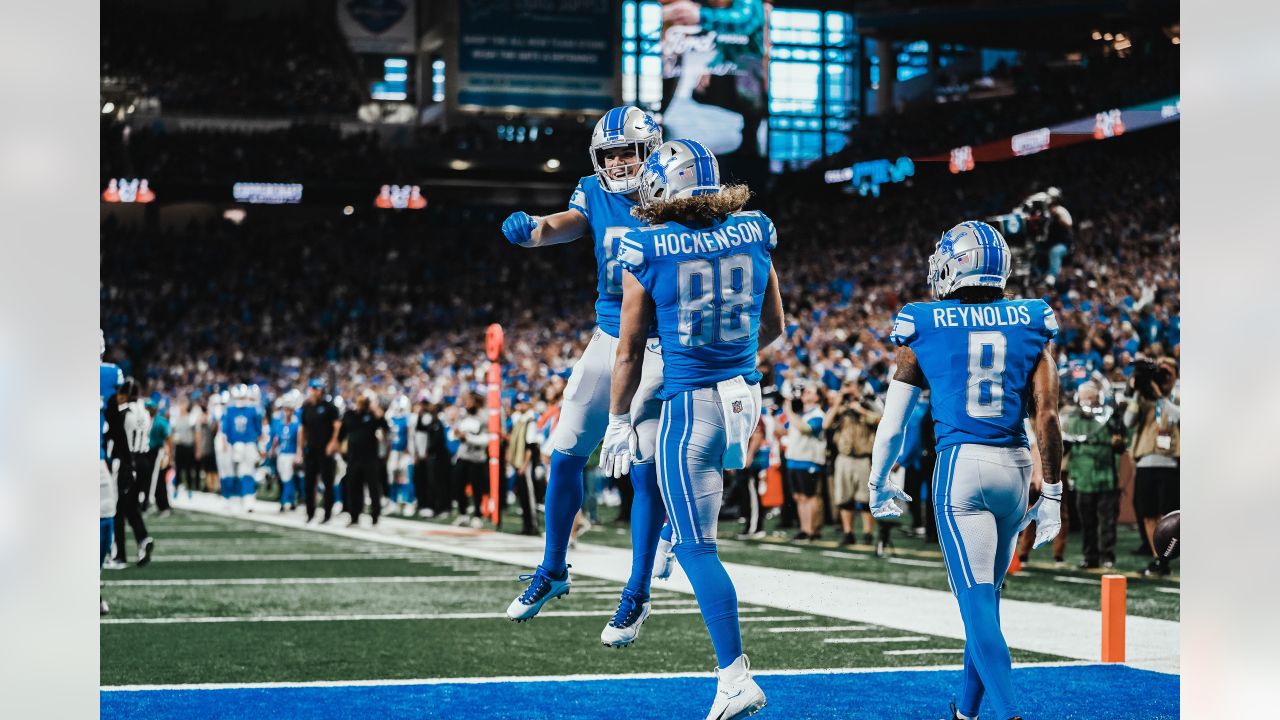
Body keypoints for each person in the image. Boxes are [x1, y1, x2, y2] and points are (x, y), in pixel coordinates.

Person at [602, 138, 783, 719]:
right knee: (690, 524)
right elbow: (774, 324)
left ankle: (734, 677)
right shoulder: (755, 229)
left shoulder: (646, 244)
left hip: (693, 405)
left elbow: (628, 351)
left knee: (697, 547)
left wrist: (616, 420)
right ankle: (655, 552)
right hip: (745, 396)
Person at [868, 220, 1062, 720]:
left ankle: (1011, 713)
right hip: (1016, 466)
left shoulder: (923, 321)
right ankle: (967, 713)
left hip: (963, 469)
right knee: (988, 604)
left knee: (976, 606)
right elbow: (1048, 414)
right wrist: (1056, 493)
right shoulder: (1032, 319)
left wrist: (879, 480)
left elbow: (893, 424)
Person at [501, 106, 671, 643]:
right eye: (610, 153)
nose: (619, 163)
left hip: (665, 346)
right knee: (566, 449)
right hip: (609, 336)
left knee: (644, 467)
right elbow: (566, 224)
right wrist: (533, 230)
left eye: (627, 151)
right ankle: (552, 569)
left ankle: (636, 594)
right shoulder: (592, 191)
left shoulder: (677, 189)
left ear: (652, 149)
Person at [1125, 357, 1179, 577]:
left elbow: (1179, 417)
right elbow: (1128, 421)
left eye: (1167, 370)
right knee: (1148, 514)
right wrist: (1139, 391)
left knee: (1170, 515)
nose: (1163, 375)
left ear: (1175, 374)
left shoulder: (1180, 395)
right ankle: (1160, 559)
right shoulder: (1144, 398)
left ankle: (1169, 555)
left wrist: (1160, 398)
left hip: (1171, 462)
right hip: (1146, 461)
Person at [1062, 382, 1125, 569]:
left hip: (1106, 476)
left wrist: (1118, 443)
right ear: (1078, 400)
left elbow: (1121, 446)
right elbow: (1066, 447)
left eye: (1093, 398)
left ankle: (1107, 556)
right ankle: (1089, 556)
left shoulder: (1110, 420)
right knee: (1087, 522)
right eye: (1085, 398)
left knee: (1107, 521)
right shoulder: (1072, 421)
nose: (1089, 401)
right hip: (1083, 477)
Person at [828, 382, 882, 548]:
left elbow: (882, 421)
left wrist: (861, 410)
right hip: (844, 457)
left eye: (851, 386)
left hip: (863, 457)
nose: (847, 389)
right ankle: (848, 532)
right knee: (844, 497)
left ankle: (867, 533)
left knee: (865, 498)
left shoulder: (871, 403)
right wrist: (838, 402)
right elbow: (826, 424)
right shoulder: (840, 407)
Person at [109, 377, 155, 569]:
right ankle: (143, 539)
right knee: (131, 506)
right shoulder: (145, 411)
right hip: (144, 460)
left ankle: (119, 555)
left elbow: (112, 436)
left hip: (128, 462)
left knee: (118, 509)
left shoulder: (123, 411)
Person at [784, 383, 827, 542]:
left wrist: (788, 410)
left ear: (817, 397)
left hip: (809, 461)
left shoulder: (818, 414)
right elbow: (784, 428)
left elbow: (806, 429)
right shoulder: (800, 414)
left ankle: (811, 530)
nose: (805, 394)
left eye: (809, 392)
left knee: (809, 496)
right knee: (799, 497)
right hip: (794, 459)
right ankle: (804, 529)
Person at [339, 389, 389, 527]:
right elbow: (341, 434)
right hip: (353, 458)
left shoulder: (373, 416)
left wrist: (380, 415)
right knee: (353, 487)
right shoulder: (349, 415)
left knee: (373, 487)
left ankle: (375, 515)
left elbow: (386, 429)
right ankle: (354, 515)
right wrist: (341, 452)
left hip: (370, 458)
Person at [298, 378, 342, 524]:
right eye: (313, 389)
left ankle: (327, 514)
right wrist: (301, 447)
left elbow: (337, 426)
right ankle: (310, 513)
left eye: (317, 389)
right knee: (309, 482)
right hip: (311, 449)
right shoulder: (307, 407)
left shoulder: (329, 407)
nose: (315, 392)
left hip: (325, 450)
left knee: (327, 482)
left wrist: (333, 443)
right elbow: (303, 429)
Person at [451, 393, 490, 527]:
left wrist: (467, 438)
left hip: (477, 458)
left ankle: (477, 515)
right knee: (457, 484)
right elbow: (453, 434)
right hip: (463, 455)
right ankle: (463, 514)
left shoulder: (484, 417)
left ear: (476, 402)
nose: (466, 403)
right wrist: (456, 434)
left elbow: (486, 439)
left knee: (477, 487)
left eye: (469, 401)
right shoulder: (463, 416)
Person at [222, 384, 264, 511]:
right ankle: (236, 498)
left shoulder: (253, 410)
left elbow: (259, 432)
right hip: (234, 445)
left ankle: (248, 499)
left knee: (247, 472)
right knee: (234, 473)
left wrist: (260, 447)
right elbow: (226, 432)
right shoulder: (230, 411)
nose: (241, 400)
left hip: (249, 445)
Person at [269, 390, 302, 512]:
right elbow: (277, 438)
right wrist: (272, 450)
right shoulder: (281, 423)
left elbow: (299, 442)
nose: (287, 411)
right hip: (281, 453)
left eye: (289, 409)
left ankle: (284, 502)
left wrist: (298, 455)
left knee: (288, 477)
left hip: (291, 453)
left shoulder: (296, 424)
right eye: (286, 409)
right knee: (284, 478)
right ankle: (292, 500)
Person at [139, 398, 172, 515]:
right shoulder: (144, 419)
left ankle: (163, 506)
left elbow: (168, 438)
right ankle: (146, 504)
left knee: (157, 479)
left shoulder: (160, 421)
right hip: (146, 452)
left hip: (157, 452)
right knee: (147, 479)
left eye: (150, 408)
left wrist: (168, 455)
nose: (148, 410)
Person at [385, 395, 414, 516]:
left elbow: (411, 437)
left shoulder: (410, 419)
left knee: (406, 477)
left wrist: (412, 451)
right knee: (392, 475)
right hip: (394, 451)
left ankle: (409, 502)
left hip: (405, 452)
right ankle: (393, 501)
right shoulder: (390, 418)